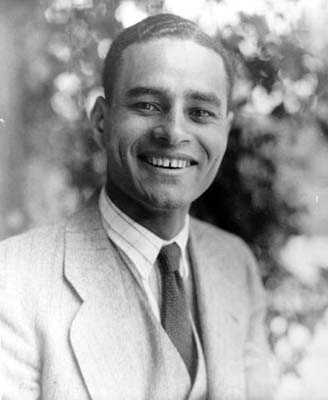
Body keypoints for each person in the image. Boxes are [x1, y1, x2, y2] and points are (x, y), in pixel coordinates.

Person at [0, 13, 275, 400]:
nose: (174, 132)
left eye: (200, 112)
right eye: (147, 105)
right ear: (101, 121)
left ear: (225, 132)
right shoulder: (14, 279)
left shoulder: (234, 263)